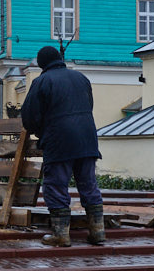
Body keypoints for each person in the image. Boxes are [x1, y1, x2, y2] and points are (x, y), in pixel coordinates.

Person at [20, 45, 104, 247]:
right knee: (88, 183)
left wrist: (41, 132)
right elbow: (89, 106)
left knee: (56, 185)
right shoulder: (81, 78)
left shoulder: (42, 81)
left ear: (42, 64)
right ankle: (98, 232)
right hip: (87, 138)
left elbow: (29, 116)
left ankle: (61, 234)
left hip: (59, 139)